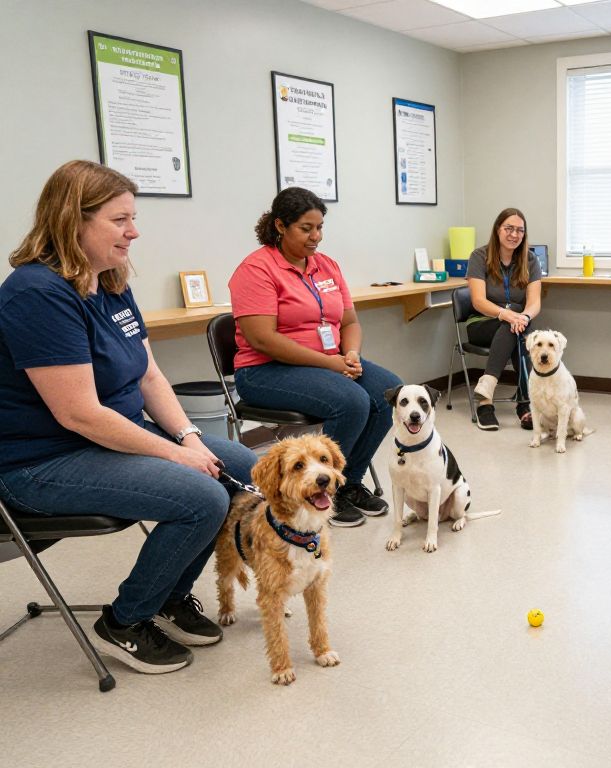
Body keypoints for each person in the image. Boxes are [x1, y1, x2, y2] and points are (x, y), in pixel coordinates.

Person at [0, 160, 256, 674]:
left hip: (108, 437)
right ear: (74, 219)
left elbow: (149, 377)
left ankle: (168, 596)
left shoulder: (110, 281)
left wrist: (188, 436)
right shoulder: (37, 294)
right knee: (203, 494)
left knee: (242, 466)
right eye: (120, 220)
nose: (133, 232)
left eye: (132, 218)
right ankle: (125, 620)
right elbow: (81, 415)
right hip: (40, 461)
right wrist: (177, 455)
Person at [229, 187, 401, 528]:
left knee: (389, 392)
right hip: (265, 370)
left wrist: (350, 354)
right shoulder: (256, 269)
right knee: (351, 401)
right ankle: (325, 494)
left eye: (320, 227)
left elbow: (349, 321)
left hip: (329, 363)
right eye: (306, 228)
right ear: (280, 225)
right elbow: (262, 338)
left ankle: (348, 483)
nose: (316, 236)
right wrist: (331, 364)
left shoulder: (326, 266)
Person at [465, 207, 542, 431]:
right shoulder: (479, 257)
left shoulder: (530, 259)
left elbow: (534, 302)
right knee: (517, 324)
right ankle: (520, 405)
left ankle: (487, 393)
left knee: (520, 326)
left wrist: (523, 316)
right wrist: (506, 314)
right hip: (481, 324)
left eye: (520, 230)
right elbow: (478, 301)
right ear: (497, 229)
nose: (514, 234)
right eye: (509, 228)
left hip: (512, 326)